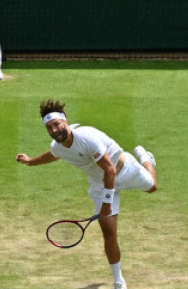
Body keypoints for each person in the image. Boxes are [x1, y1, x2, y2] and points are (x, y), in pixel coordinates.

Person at [16, 99, 158, 289]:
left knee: (152, 186)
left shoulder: (87, 137)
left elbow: (109, 170)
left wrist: (107, 204)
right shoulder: (58, 146)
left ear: (65, 121)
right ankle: (119, 281)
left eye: (57, 124)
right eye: (49, 127)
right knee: (109, 233)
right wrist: (30, 161)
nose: (54, 130)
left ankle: (146, 159)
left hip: (125, 170)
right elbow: (52, 154)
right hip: (101, 186)